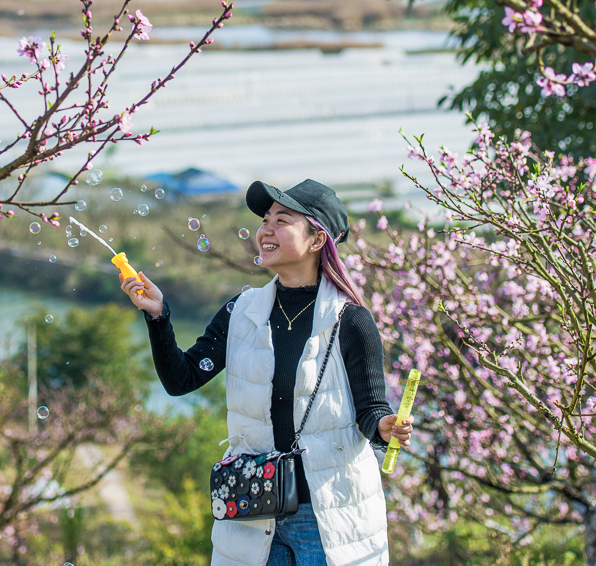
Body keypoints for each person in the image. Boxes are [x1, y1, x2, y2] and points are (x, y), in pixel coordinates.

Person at [121, 179, 413, 566]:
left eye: (282, 220)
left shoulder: (351, 320)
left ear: (316, 240)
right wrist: (158, 317)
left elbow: (371, 408)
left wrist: (385, 426)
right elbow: (182, 379)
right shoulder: (241, 312)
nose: (266, 229)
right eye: (265, 219)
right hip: (253, 511)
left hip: (327, 517)